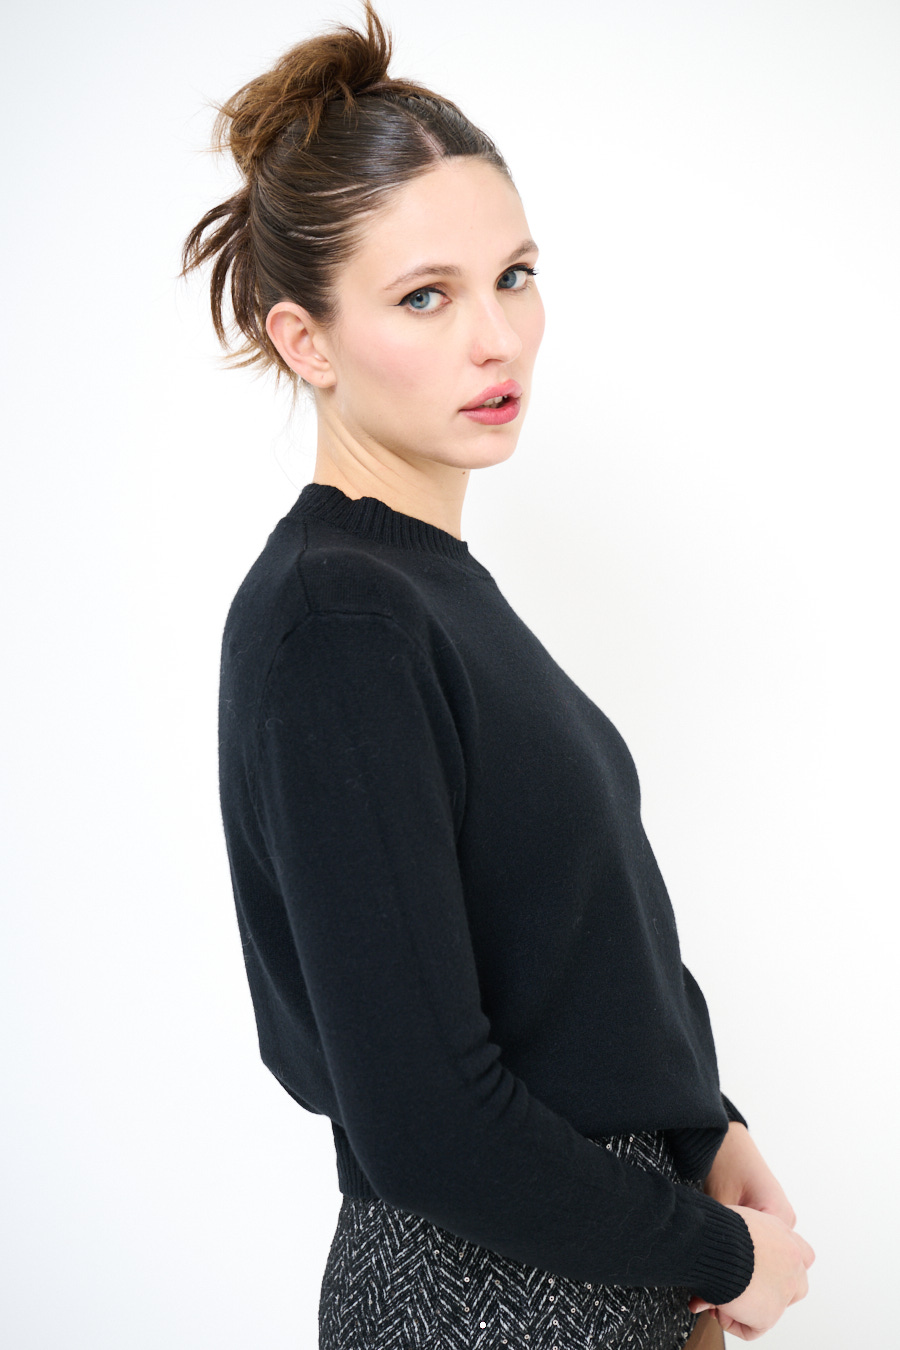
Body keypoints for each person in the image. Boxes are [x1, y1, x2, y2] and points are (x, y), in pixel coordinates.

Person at [180, 3, 814, 1346]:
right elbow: (426, 1123)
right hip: (487, 1293)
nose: (498, 338)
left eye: (514, 276)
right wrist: (721, 1253)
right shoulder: (342, 621)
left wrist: (706, 1126)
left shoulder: (424, 592)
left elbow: (556, 947)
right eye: (426, 296)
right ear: (305, 340)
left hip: (589, 1253)